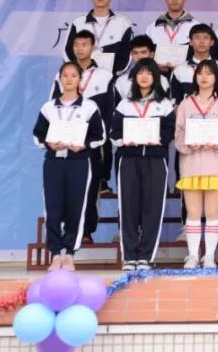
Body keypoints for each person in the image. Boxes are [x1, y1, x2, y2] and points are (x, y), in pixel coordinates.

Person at [33, 62, 106, 271]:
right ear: (59, 79)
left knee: (77, 207)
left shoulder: (89, 107)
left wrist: (83, 145)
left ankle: (70, 254)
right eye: (65, 75)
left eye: (74, 75)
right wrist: (49, 144)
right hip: (54, 163)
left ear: (79, 80)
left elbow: (99, 136)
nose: (69, 79)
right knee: (52, 208)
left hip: (79, 162)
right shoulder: (48, 107)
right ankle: (55, 253)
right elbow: (38, 135)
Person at [110, 58, 176, 271]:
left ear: (155, 77)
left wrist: (159, 138)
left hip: (156, 160)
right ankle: (129, 256)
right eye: (140, 72)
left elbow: (170, 131)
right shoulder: (124, 104)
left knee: (152, 208)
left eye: (149, 73)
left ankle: (146, 256)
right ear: (134, 77)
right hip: (128, 159)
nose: (144, 76)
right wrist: (124, 141)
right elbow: (114, 132)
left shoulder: (164, 105)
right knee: (128, 207)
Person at [174, 60, 218, 269]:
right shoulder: (186, 103)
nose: (204, 77)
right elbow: (178, 133)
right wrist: (188, 144)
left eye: (209, 73)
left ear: (216, 77)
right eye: (200, 73)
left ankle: (209, 256)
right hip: (191, 163)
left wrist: (217, 143)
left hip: (216, 164)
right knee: (192, 212)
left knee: (212, 212)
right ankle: (193, 255)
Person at [53, 30, 114, 208]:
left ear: (93, 47)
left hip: (93, 140)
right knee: (66, 190)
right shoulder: (62, 75)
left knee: (92, 188)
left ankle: (88, 227)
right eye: (76, 45)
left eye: (84, 44)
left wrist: (100, 133)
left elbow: (109, 110)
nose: (80, 49)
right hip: (67, 138)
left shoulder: (105, 76)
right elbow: (53, 106)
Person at [62, 0, 133, 75]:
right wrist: (78, 72)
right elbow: (68, 51)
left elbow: (126, 53)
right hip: (82, 77)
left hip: (111, 77)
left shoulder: (123, 23)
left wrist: (111, 74)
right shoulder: (78, 22)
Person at [146, 0, 200, 74]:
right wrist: (155, 66)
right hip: (158, 77)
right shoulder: (152, 28)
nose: (174, 0)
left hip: (186, 77)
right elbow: (145, 55)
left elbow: (201, 55)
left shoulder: (196, 27)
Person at [170, 24, 218, 103]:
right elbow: (175, 101)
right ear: (190, 42)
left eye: (206, 38)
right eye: (197, 37)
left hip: (215, 111)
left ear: (212, 42)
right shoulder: (179, 70)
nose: (201, 41)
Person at [112, 35, 170, 108]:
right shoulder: (121, 81)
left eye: (143, 52)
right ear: (131, 55)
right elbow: (116, 107)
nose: (139, 56)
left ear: (152, 54)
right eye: (135, 53)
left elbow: (167, 106)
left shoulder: (163, 80)